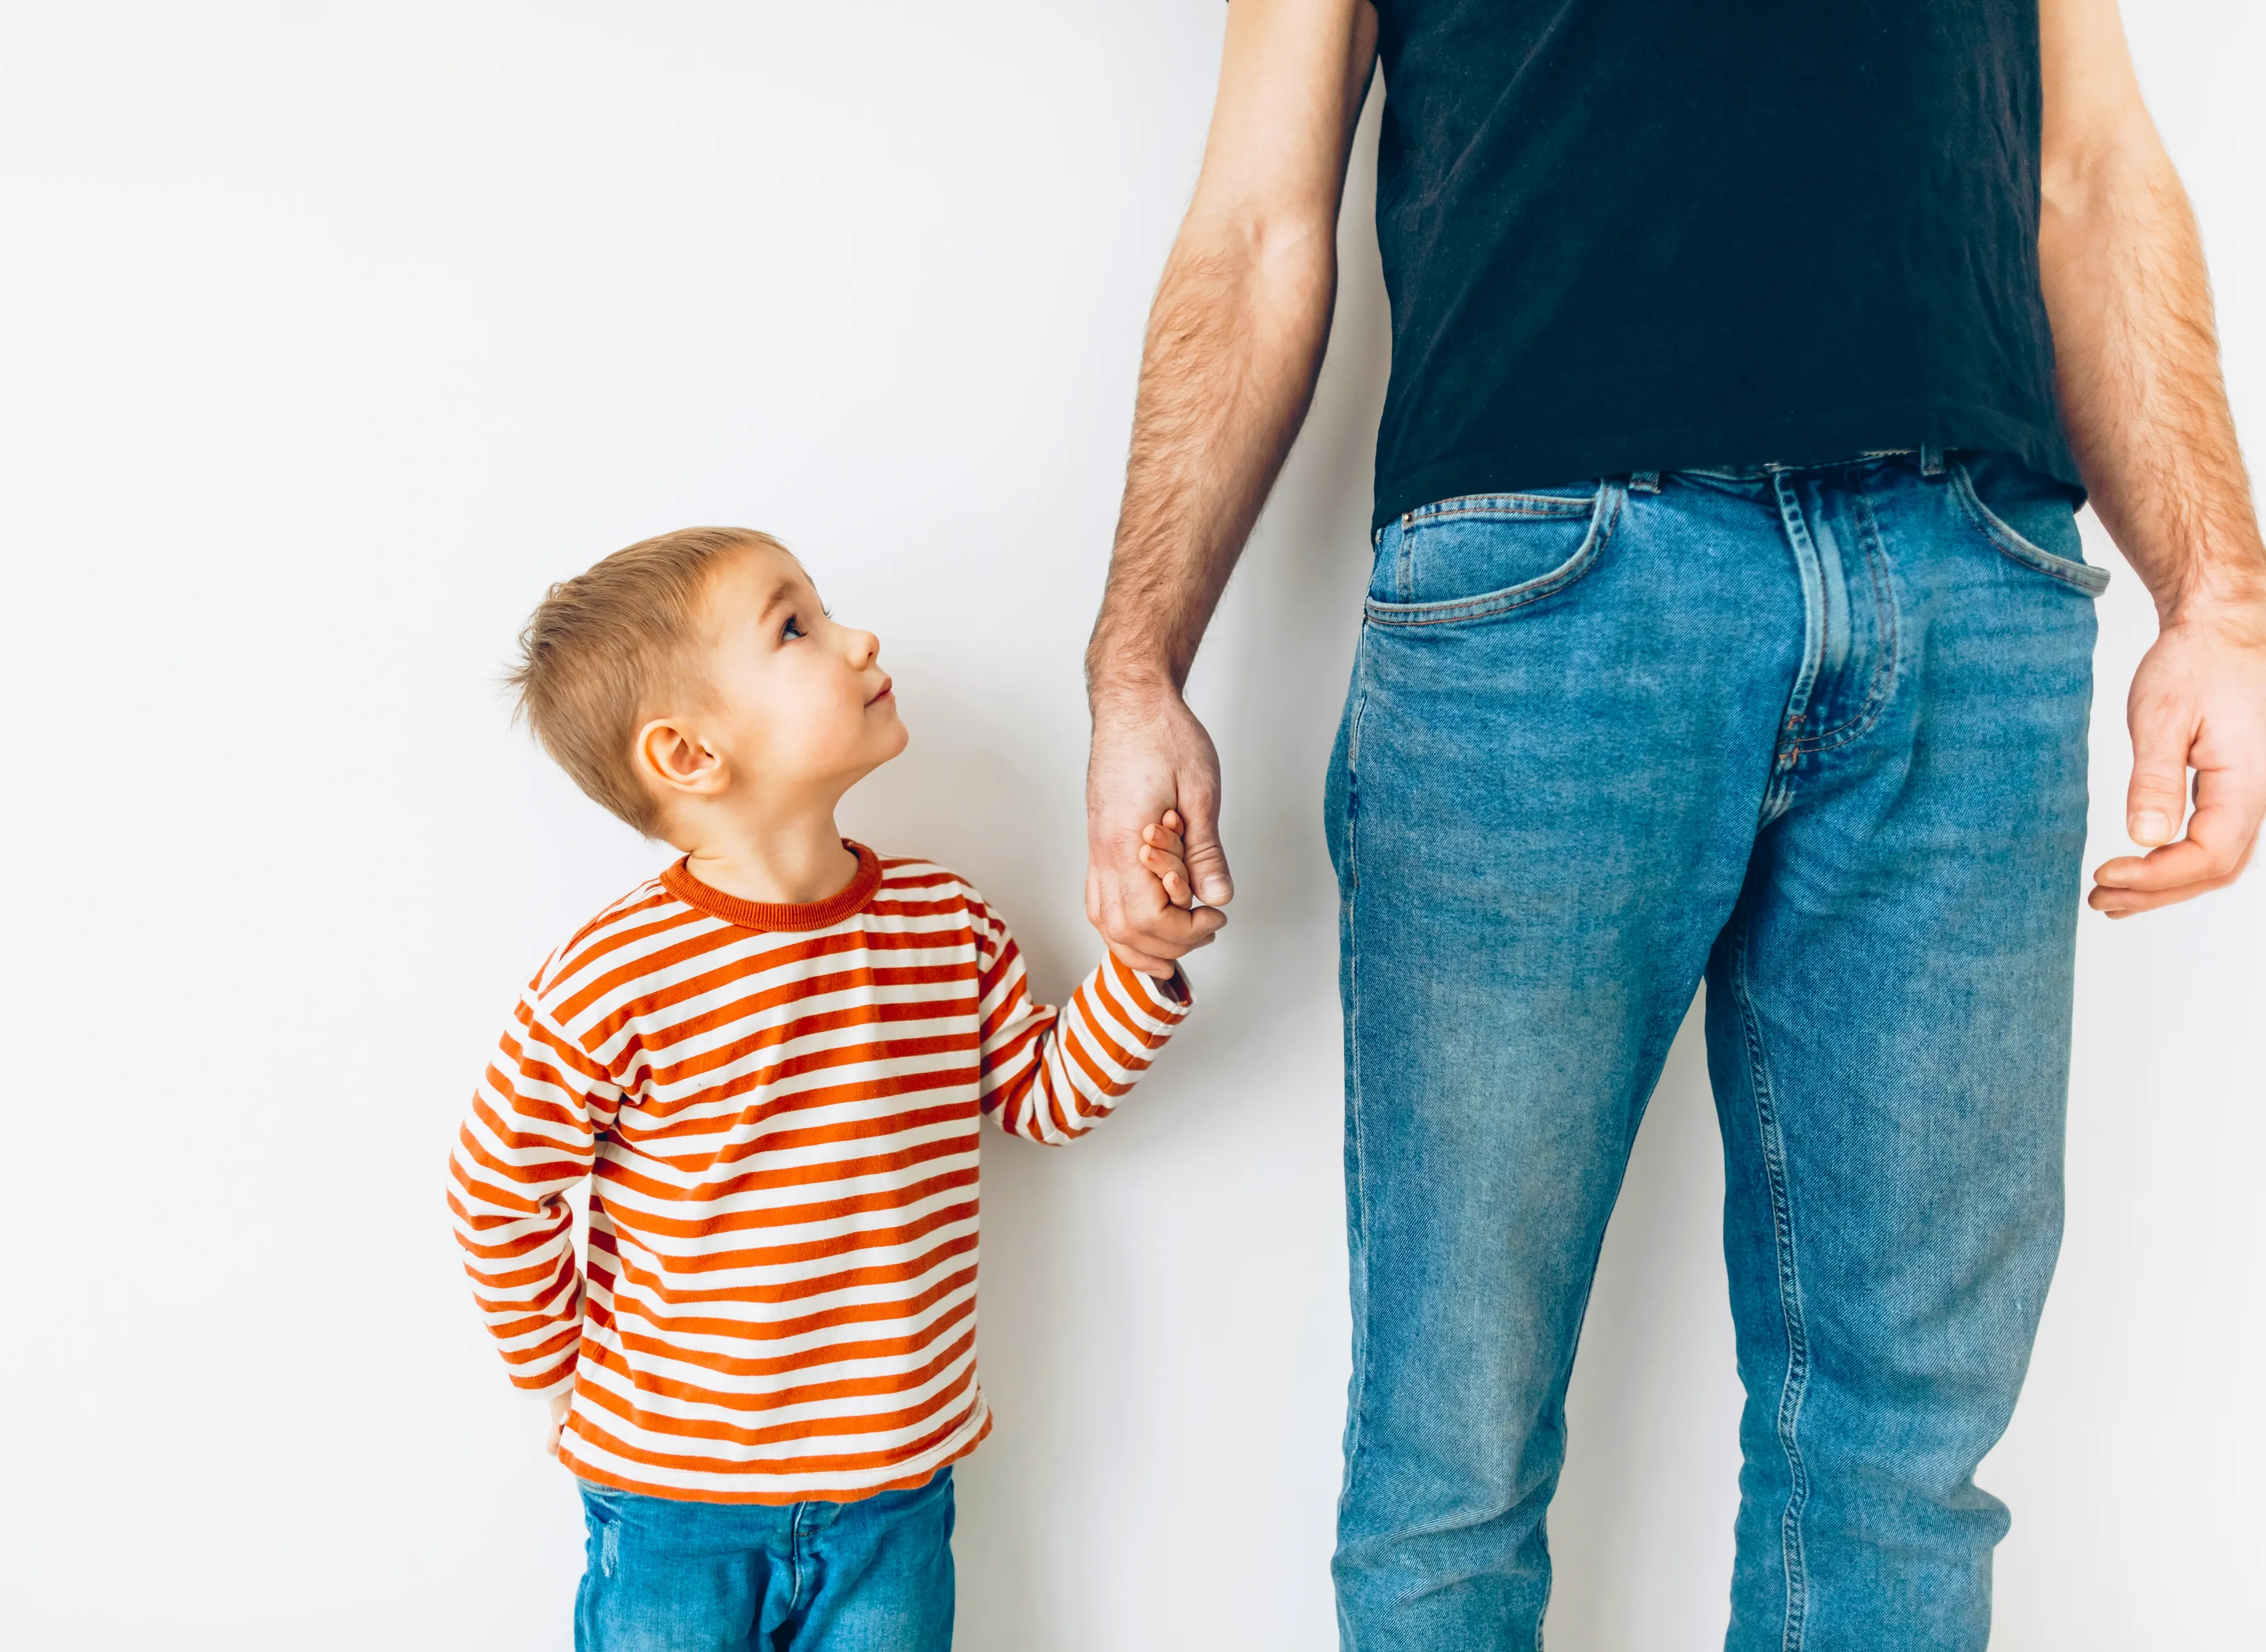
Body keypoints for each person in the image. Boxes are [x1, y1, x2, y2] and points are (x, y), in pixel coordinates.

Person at [1080, 1, 2266, 1647]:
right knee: (1455, 1447)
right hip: (1543, 584)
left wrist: (2221, 596)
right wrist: (1138, 663)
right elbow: (1263, 225)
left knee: (1906, 1444)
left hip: (1971, 570)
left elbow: (2091, 164)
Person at [450, 528, 1195, 1651]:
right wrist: (552, 1371)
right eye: (795, 627)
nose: (860, 640)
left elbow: (1044, 1095)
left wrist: (1139, 967)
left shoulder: (941, 923)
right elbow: (495, 1185)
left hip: (893, 1492)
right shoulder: (614, 978)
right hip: (669, 1501)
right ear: (688, 755)